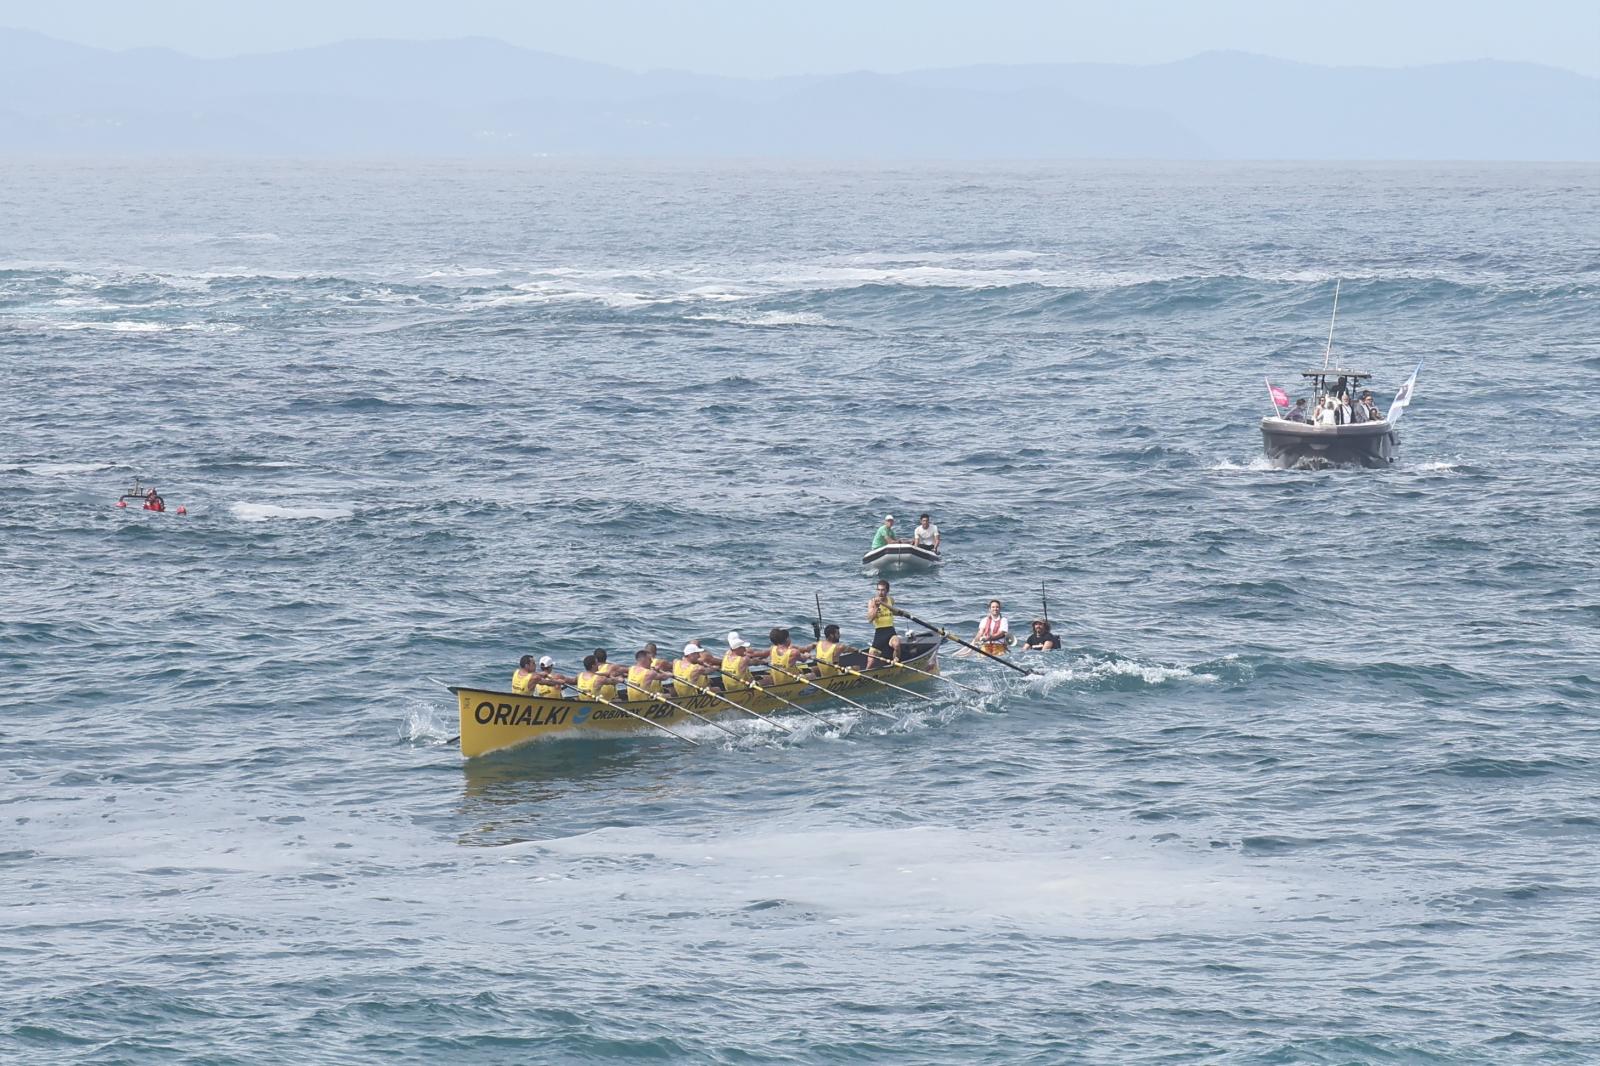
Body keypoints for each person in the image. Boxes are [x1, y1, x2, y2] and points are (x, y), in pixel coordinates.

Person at [865, 579, 901, 666]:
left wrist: (883, 604)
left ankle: (896, 661)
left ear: (887, 591)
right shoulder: (872, 602)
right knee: (870, 663)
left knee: (897, 644)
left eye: (883, 590)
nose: (880, 593)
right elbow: (869, 619)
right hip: (879, 633)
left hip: (890, 631)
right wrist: (877, 608)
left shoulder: (891, 600)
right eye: (878, 590)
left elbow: (896, 612)